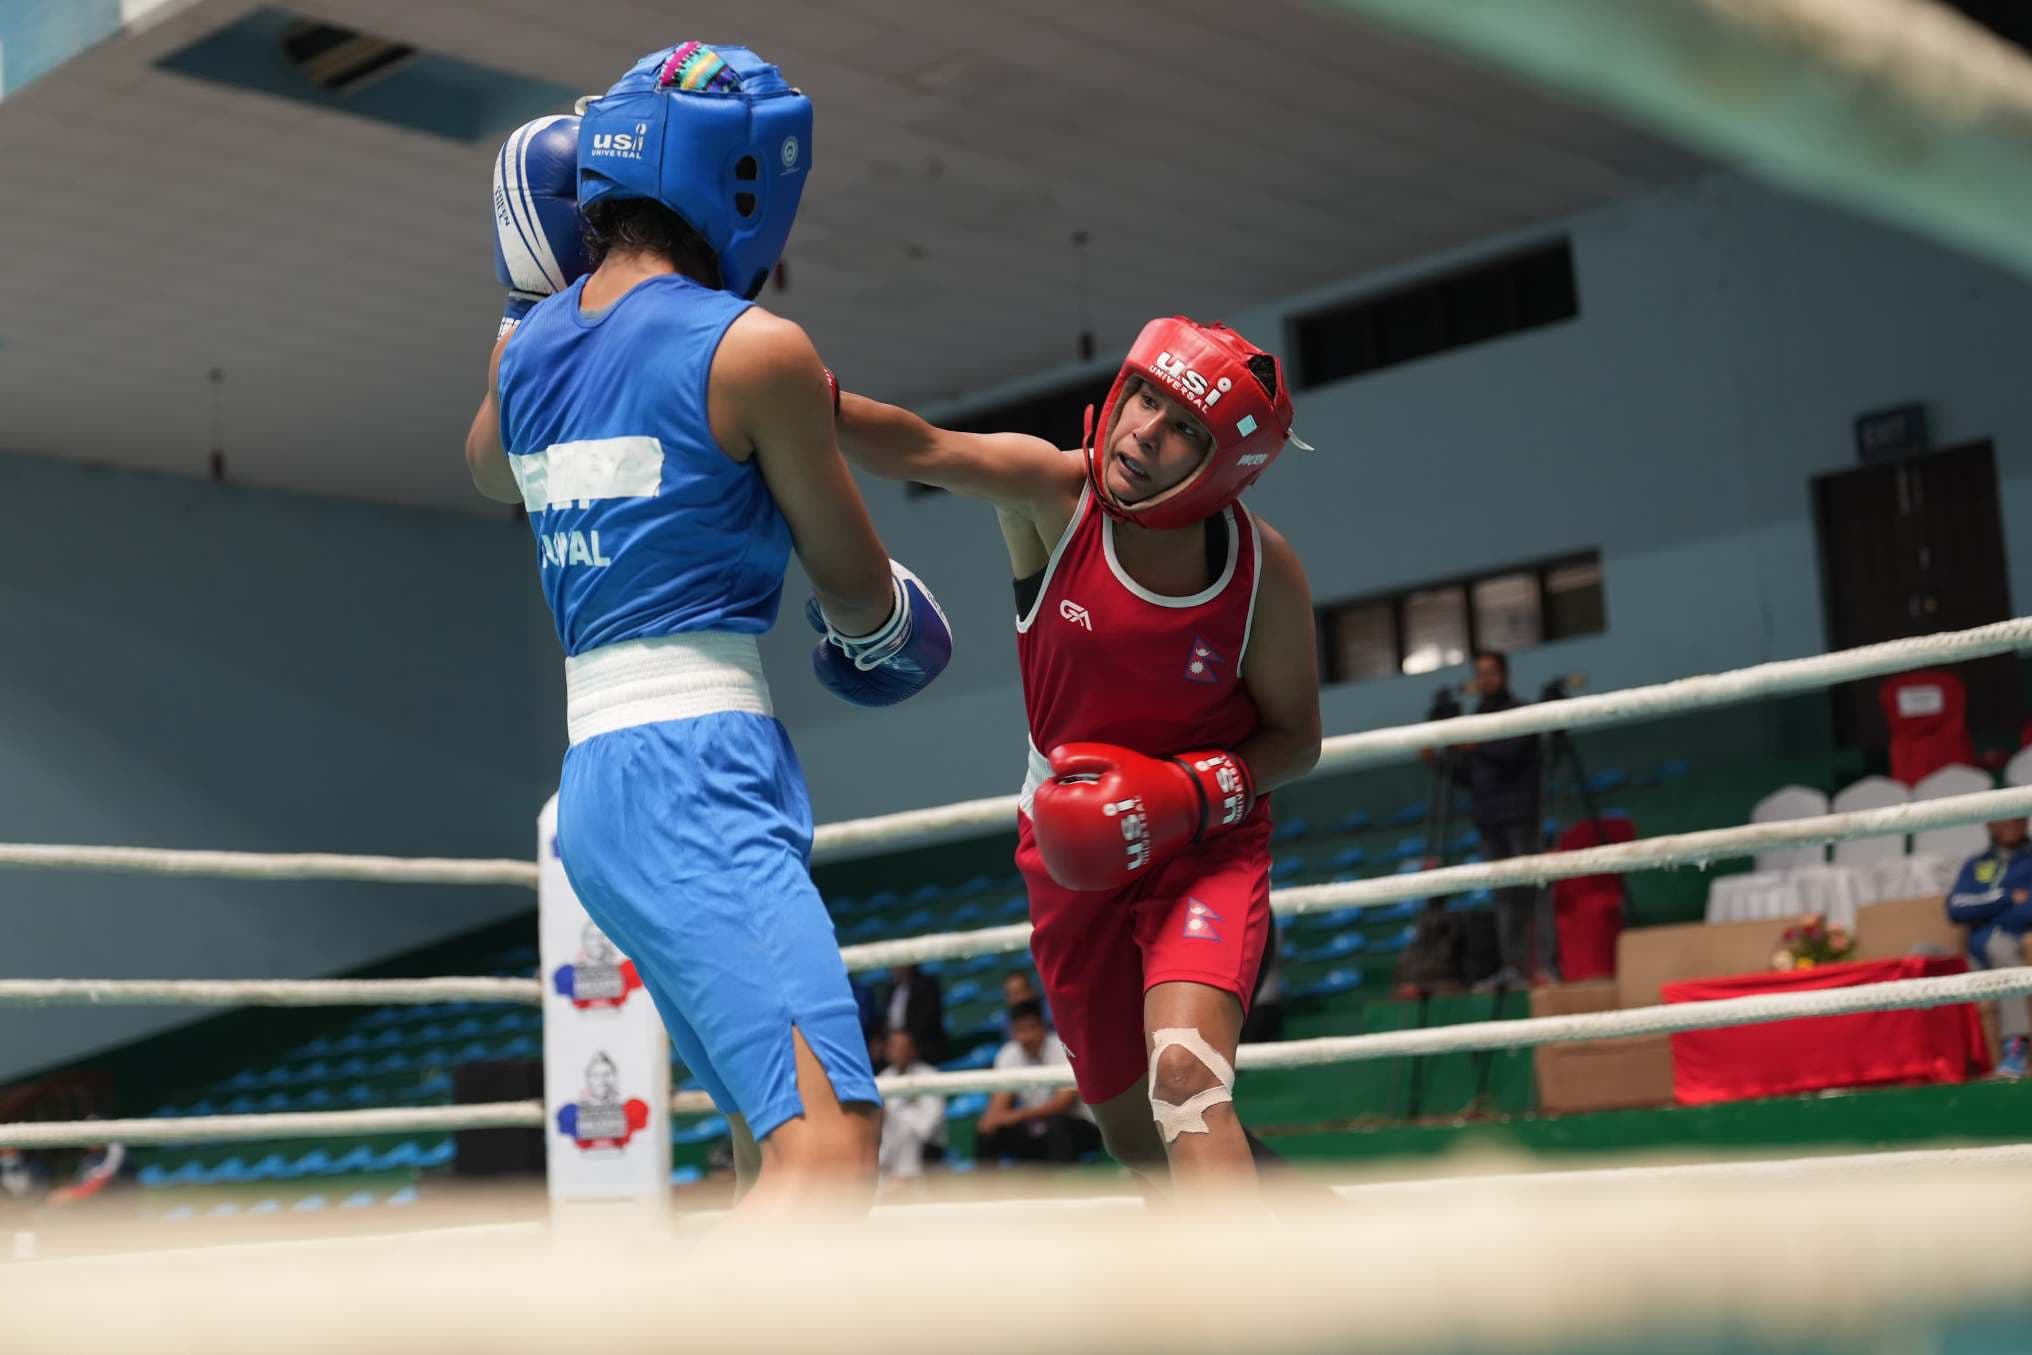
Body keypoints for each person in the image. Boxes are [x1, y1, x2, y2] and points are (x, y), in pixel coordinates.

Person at [465, 45, 954, 1214]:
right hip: (698, 771)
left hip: (601, 786)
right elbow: (859, 593)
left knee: (763, 1141)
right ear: (745, 180)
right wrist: (887, 631)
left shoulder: (522, 353)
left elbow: (489, 470)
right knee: (831, 1147)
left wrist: (525, 301)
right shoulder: (755, 347)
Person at [835, 318, 1322, 1191]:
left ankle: (1256, 1280)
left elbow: (1297, 739)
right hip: (1070, 848)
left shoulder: (1262, 571)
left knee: (1187, 1080)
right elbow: (917, 445)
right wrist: (792, 392)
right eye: (1145, 398)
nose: (1145, 432)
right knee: (1134, 1138)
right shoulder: (1054, 493)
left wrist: (1186, 792)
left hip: (1204, 846)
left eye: (1184, 427)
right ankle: (1311, 1225)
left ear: (1227, 467)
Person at [1431, 651, 1551, 988]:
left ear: (1504, 674)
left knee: (1535, 891)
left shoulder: (1520, 712)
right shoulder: (1475, 719)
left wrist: (1474, 744)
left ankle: (1547, 967)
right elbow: (1473, 776)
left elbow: (1511, 754)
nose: (1484, 679)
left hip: (1521, 816)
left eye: (1490, 672)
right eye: (1479, 673)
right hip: (1489, 820)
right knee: (1504, 897)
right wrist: (1438, 762)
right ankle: (1514, 969)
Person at [1945, 816, 2032, 1079]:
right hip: (1975, 950)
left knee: (1999, 947)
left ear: (2026, 821)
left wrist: (1983, 910)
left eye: (2017, 819)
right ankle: (1930, 1058)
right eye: (2002, 819)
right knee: (1924, 956)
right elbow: (1955, 908)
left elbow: (2028, 911)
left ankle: (2015, 1048)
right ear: (1989, 824)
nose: (2010, 825)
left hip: (2012, 943)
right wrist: (2005, 898)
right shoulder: (1976, 863)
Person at [974, 1000, 1101, 1165]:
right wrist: (993, 1119)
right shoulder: (1008, 1054)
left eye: (1031, 1028)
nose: (1026, 1037)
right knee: (988, 1128)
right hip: (1036, 1126)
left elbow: (1063, 1103)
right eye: (1019, 1030)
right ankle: (984, 1181)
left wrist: (1018, 1115)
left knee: (1057, 1124)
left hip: (1077, 1125)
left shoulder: (1063, 1049)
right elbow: (1000, 1104)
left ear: (1043, 1027)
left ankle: (1064, 1181)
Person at [875, 1028, 946, 1189]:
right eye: (893, 1046)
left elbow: (929, 1126)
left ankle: (904, 1178)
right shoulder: (883, 1078)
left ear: (913, 1050)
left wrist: (905, 1113)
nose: (898, 1052)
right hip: (889, 1150)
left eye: (903, 1047)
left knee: (906, 1126)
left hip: (926, 1148)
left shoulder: (930, 1076)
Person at [877, 964, 948, 1065]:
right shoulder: (890, 988)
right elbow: (884, 1021)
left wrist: (904, 1043)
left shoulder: (927, 985)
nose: (894, 967)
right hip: (893, 1045)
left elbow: (926, 1021)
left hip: (922, 1046)